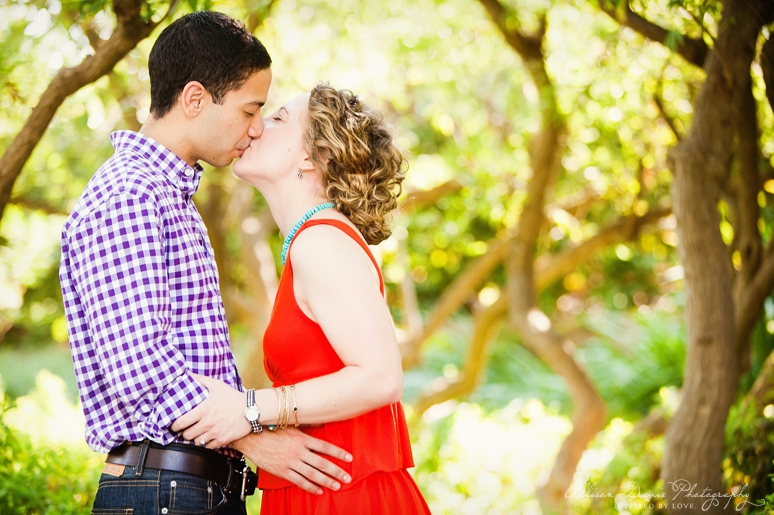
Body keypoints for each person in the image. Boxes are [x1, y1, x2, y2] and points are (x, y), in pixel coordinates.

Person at [59, 12, 351, 514]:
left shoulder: (168, 196)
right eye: (249, 109)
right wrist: (254, 437)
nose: (257, 128)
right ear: (195, 99)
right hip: (164, 488)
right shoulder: (130, 195)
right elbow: (139, 368)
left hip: (184, 488)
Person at [172, 83, 431, 514]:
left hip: (346, 496)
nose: (254, 128)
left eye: (275, 119)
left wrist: (249, 409)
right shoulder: (309, 243)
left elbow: (381, 377)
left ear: (315, 157)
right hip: (321, 485)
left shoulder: (322, 243)